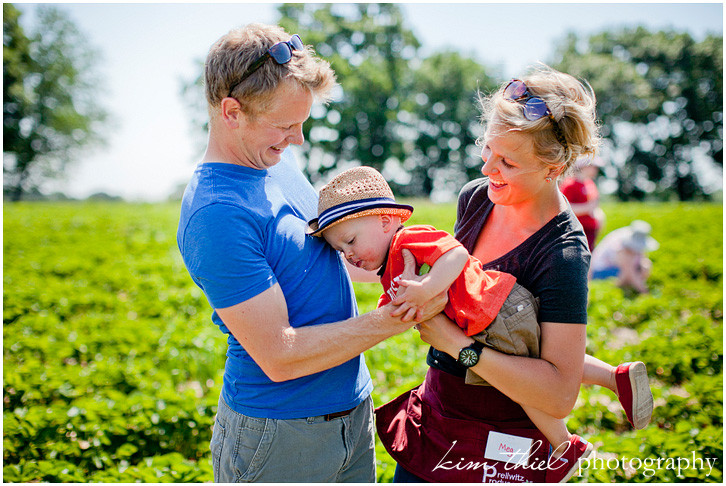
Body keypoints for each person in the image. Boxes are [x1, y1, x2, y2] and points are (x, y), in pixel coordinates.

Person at [176, 23, 445, 483]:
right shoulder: (216, 213)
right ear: (232, 112)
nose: (297, 139)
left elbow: (327, 262)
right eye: (285, 125)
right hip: (278, 435)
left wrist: (414, 268)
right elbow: (281, 356)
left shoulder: (276, 163)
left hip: (352, 412)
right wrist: (398, 315)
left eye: (301, 122)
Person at [374, 67, 654, 483]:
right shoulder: (476, 197)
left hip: (500, 450)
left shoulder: (562, 251)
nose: (488, 168)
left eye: (507, 161)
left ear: (553, 168)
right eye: (487, 150)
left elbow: (558, 395)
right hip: (436, 420)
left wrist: (455, 344)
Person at [307, 166, 654, 482]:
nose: (349, 255)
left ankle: (565, 445)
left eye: (351, 241)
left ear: (385, 219)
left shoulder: (409, 239)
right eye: (341, 250)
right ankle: (614, 377)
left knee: (522, 383)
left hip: (493, 310)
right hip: (485, 318)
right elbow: (392, 308)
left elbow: (454, 254)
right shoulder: (393, 264)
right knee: (530, 356)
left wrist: (428, 288)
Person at [590, 220, 659, 294]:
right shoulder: (621, 244)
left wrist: (644, 269)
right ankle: (618, 288)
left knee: (645, 265)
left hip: (615, 268)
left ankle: (630, 287)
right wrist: (645, 292)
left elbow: (642, 259)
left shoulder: (634, 239)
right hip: (600, 270)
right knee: (627, 273)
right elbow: (628, 270)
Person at [560, 156, 606, 250]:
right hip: (576, 231)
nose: (595, 170)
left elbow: (595, 207)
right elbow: (564, 209)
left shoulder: (590, 184)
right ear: (583, 167)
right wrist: (587, 208)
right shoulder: (570, 185)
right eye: (592, 166)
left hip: (590, 232)